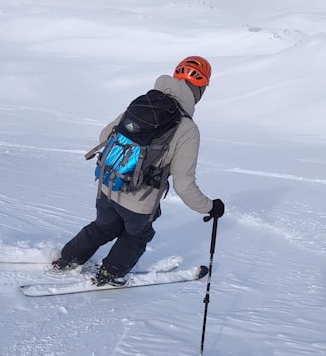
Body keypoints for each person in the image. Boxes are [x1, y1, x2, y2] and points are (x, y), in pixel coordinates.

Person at [53, 56, 225, 286]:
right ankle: (110, 273)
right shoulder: (187, 129)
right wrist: (210, 207)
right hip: (140, 200)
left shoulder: (144, 102)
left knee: (103, 226)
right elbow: (183, 185)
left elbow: (105, 136)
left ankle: (67, 259)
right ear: (200, 89)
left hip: (108, 185)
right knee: (137, 235)